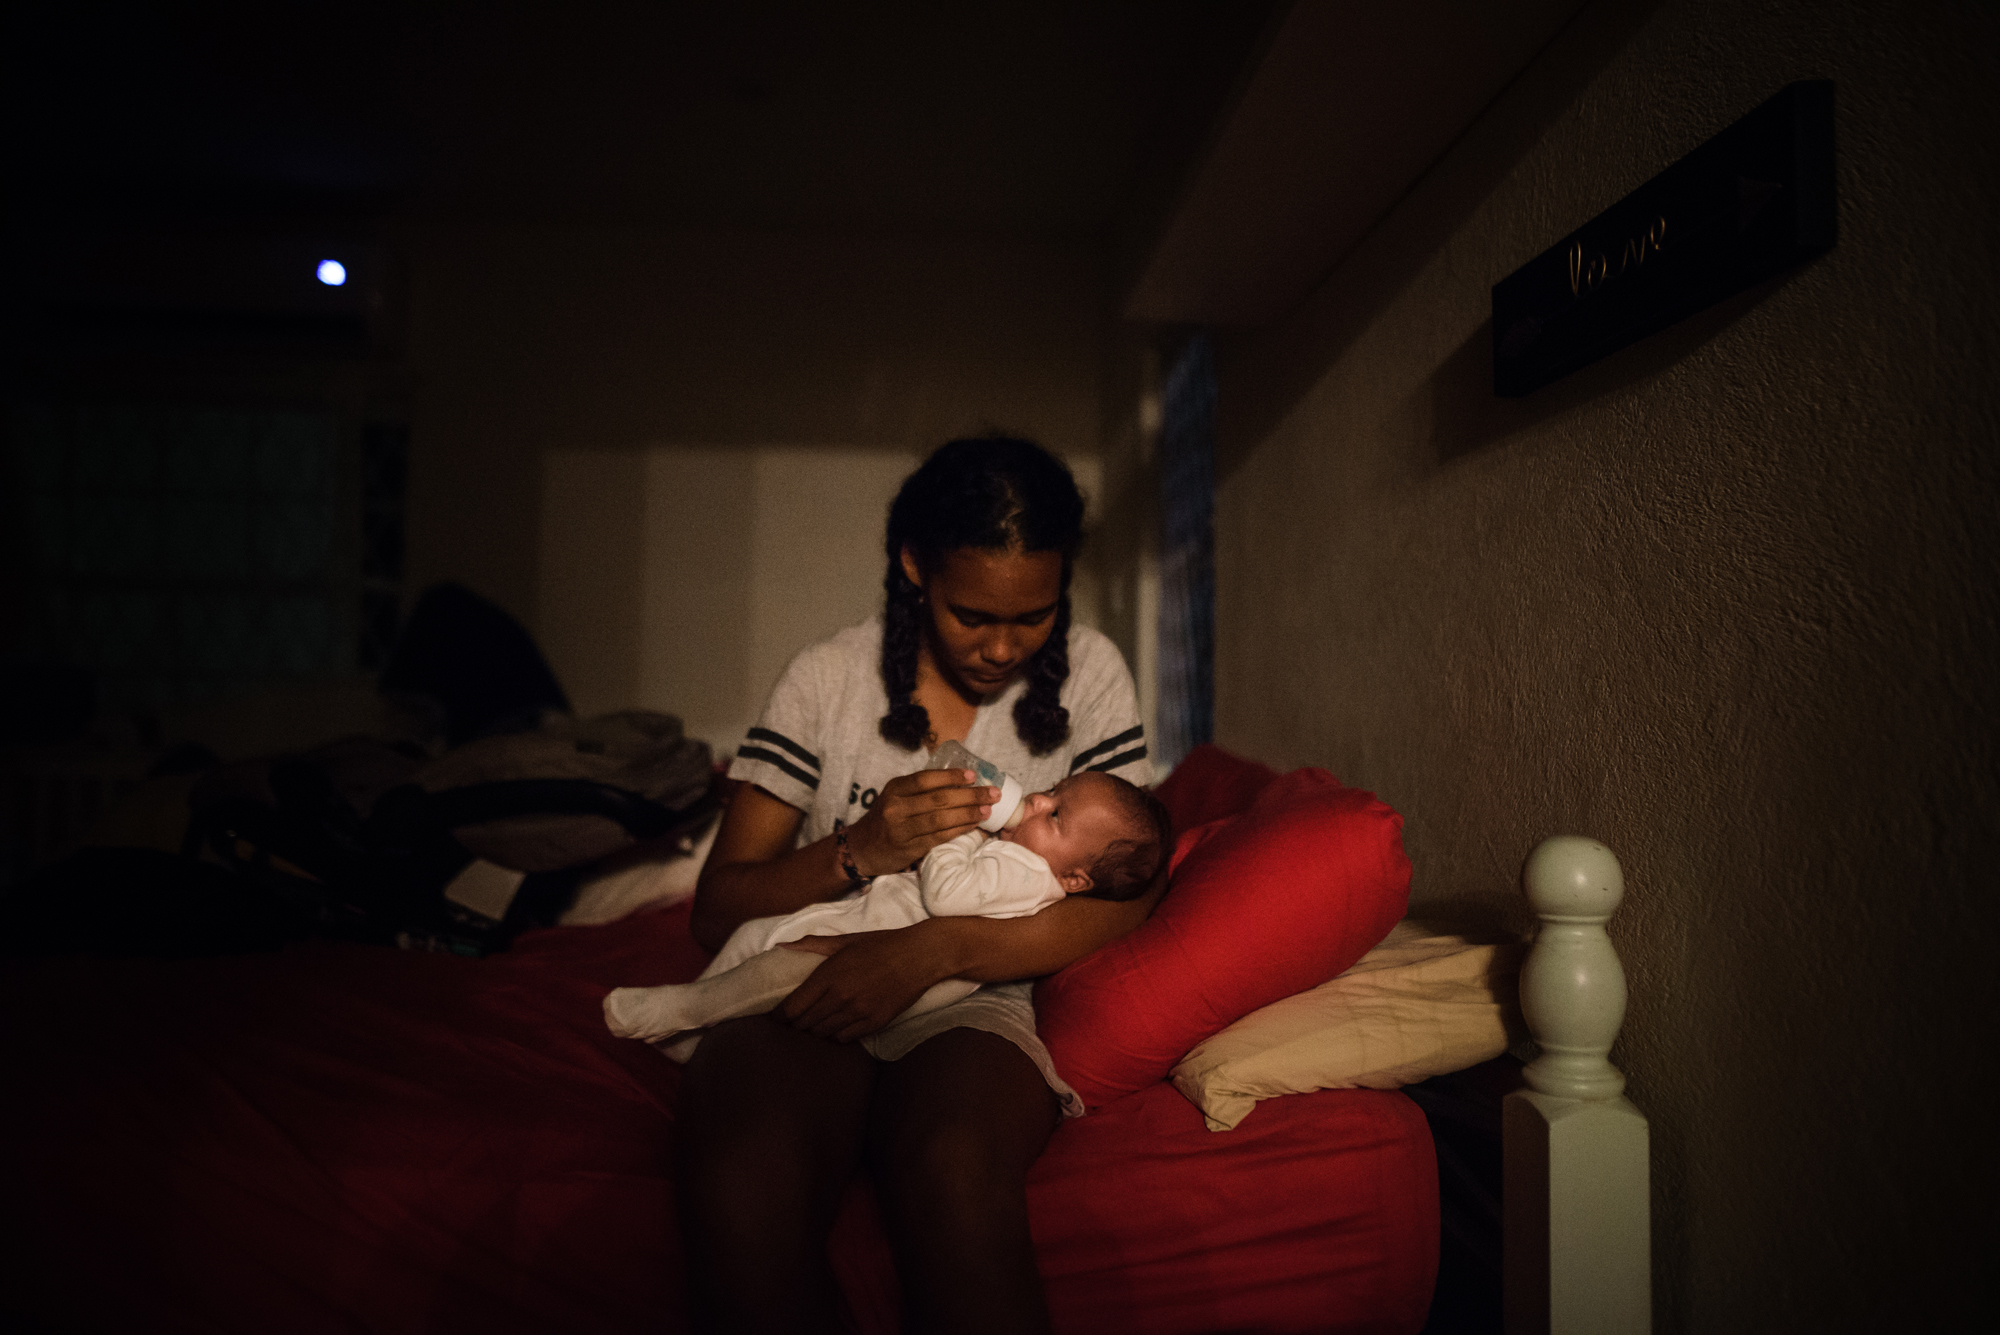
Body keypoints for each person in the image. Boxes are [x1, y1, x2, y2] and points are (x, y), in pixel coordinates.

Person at [675, 436, 1157, 1335]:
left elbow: (1132, 897)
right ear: (913, 567)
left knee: (953, 1163)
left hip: (979, 987)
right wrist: (855, 848)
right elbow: (716, 908)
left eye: (1035, 616)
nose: (1003, 648)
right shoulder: (827, 680)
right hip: (816, 963)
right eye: (972, 614)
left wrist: (936, 947)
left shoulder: (1091, 675)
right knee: (744, 1179)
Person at [603, 772, 1168, 1053]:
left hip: (892, 953)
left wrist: (959, 832)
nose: (1038, 802)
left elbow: (947, 894)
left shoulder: (1027, 874)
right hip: (872, 924)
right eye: (1050, 792)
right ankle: (691, 1029)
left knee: (772, 969)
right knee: (757, 937)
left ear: (1074, 879)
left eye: (1056, 817)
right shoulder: (1031, 855)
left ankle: (687, 1010)